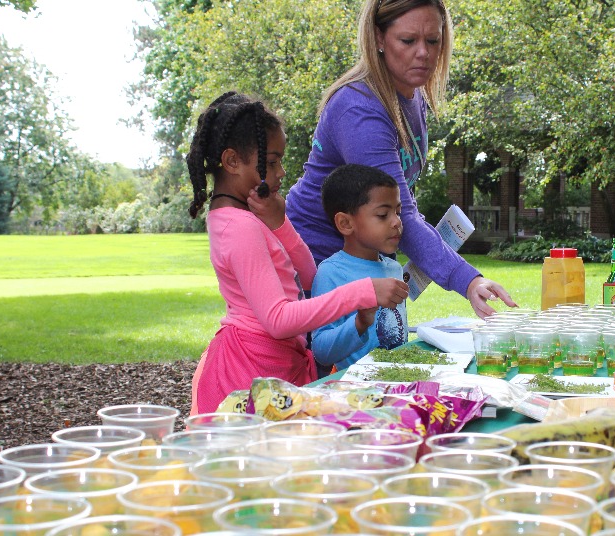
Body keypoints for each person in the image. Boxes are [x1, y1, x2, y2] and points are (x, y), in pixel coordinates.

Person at [286, 0, 518, 323]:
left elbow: (398, 203)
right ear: (379, 38)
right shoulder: (360, 109)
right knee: (327, 368)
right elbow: (402, 217)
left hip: (366, 262)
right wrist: (468, 280)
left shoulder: (412, 94)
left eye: (433, 41)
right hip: (319, 264)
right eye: (408, 41)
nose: (423, 53)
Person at [186, 91, 409, 415]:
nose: (281, 173)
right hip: (251, 370)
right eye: (272, 162)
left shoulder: (246, 218)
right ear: (232, 161)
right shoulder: (239, 228)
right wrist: (363, 292)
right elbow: (278, 320)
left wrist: (279, 223)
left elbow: (307, 276)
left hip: (273, 362)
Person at [312, 164, 407, 371]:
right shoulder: (331, 273)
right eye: (383, 215)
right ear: (345, 223)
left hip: (397, 383)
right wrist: (360, 322)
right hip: (356, 394)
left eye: (398, 212)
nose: (396, 222)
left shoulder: (394, 268)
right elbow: (321, 351)